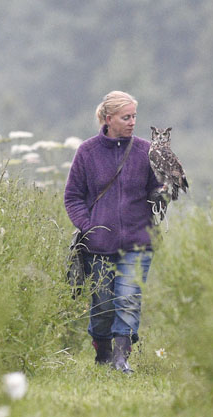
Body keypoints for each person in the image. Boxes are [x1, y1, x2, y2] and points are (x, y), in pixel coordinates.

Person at [64, 91, 163, 374]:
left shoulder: (146, 151)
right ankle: (103, 352)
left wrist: (162, 193)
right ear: (108, 119)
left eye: (134, 116)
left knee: (129, 299)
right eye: (126, 117)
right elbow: (73, 197)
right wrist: (89, 227)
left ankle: (121, 358)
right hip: (98, 246)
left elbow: (156, 190)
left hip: (138, 242)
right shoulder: (87, 152)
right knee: (104, 303)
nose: (132, 122)